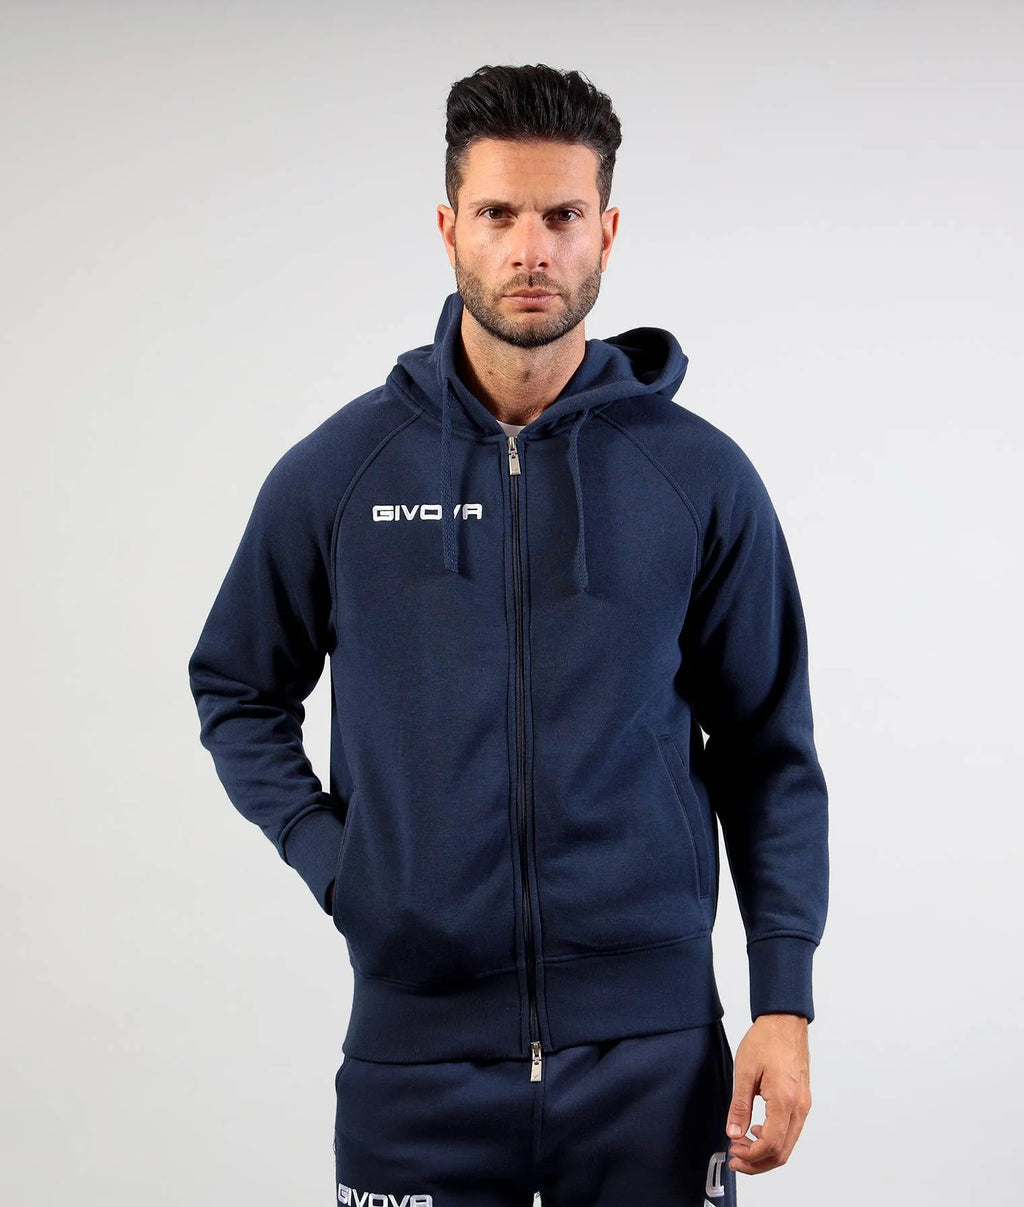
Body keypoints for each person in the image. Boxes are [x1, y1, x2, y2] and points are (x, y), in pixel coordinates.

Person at [188, 62, 829, 1207]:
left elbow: (766, 747)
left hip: (653, 1059)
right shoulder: (342, 472)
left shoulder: (696, 476)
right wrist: (339, 865)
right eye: (497, 214)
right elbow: (237, 686)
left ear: (606, 231)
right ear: (449, 228)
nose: (530, 248)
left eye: (561, 215)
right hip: (413, 1061)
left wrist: (782, 997)